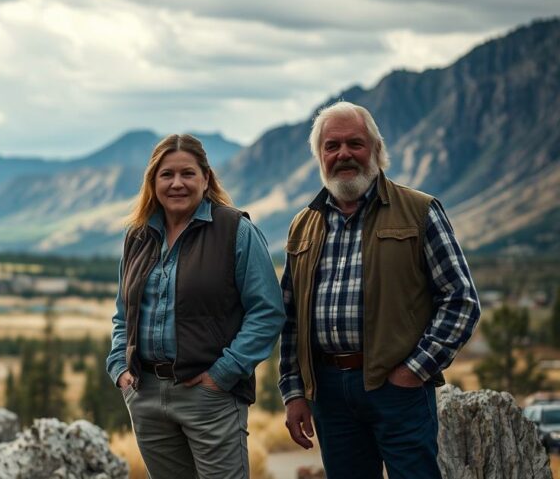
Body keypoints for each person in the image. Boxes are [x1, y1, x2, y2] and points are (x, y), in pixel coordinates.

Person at [278, 101, 481, 479]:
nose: (343, 154)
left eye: (355, 143)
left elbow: (461, 302)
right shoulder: (302, 225)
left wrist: (412, 372)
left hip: (398, 389)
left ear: (376, 150)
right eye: (331, 146)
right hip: (329, 395)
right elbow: (290, 320)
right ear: (319, 156)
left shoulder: (420, 211)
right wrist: (293, 392)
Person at [106, 133, 285, 479]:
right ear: (153, 182)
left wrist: (223, 375)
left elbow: (268, 311)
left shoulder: (236, 230)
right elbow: (123, 313)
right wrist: (120, 367)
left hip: (210, 397)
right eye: (166, 174)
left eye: (187, 174)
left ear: (206, 178)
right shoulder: (137, 236)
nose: (177, 183)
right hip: (146, 394)